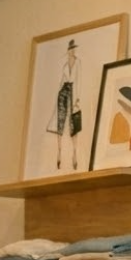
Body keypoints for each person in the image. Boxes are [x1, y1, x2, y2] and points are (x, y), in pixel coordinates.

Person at [47, 37, 82, 171]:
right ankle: (59, 153)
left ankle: (75, 154)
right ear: (67, 51)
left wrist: (77, 98)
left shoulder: (78, 63)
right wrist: (59, 94)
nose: (72, 51)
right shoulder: (65, 66)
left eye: (73, 49)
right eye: (70, 49)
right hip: (64, 92)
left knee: (74, 123)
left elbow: (79, 80)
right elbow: (62, 81)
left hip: (73, 92)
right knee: (60, 121)